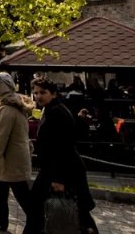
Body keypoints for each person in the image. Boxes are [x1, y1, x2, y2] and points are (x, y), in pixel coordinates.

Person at [26, 77, 98, 234]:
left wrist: (59, 179)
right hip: (55, 169)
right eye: (35, 93)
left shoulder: (56, 112)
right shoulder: (52, 108)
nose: (38, 96)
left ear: (53, 93)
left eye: (42, 92)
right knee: (41, 209)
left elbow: (62, 146)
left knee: (73, 210)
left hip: (62, 170)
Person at [0, 72, 33, 231]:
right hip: (9, 157)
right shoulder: (16, 104)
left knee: (23, 196)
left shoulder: (6, 109)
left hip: (11, 159)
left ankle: (39, 222)